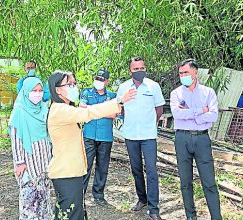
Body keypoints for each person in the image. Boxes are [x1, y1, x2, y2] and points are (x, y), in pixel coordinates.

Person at [47, 70, 136, 220]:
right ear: (57, 90)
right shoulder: (60, 110)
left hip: (72, 171)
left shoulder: (66, 109)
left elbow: (86, 111)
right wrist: (118, 101)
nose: (74, 87)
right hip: (66, 172)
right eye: (69, 84)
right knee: (71, 214)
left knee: (70, 212)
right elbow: (88, 113)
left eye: (74, 84)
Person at [170, 59, 222, 220]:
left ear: (195, 72)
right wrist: (200, 111)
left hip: (201, 139)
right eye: (181, 73)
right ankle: (190, 216)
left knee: (209, 182)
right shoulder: (176, 93)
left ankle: (216, 216)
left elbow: (213, 115)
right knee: (185, 181)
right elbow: (177, 114)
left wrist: (193, 117)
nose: (183, 76)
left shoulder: (208, 92)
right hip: (182, 138)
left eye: (186, 72)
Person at [117, 56, 165, 220]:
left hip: (148, 136)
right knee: (136, 169)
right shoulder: (123, 87)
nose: (139, 71)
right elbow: (120, 108)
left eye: (141, 68)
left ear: (145, 69)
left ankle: (153, 208)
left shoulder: (153, 86)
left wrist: (151, 123)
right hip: (130, 135)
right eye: (135, 69)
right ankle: (142, 199)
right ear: (130, 71)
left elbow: (159, 109)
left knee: (151, 171)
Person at [8, 77, 53, 219]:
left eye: (40, 91)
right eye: (34, 90)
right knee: (29, 203)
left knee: (44, 201)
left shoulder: (44, 108)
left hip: (44, 160)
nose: (38, 94)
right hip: (28, 163)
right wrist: (19, 162)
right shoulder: (19, 111)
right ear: (26, 91)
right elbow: (16, 139)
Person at [80, 68, 117, 204]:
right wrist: (103, 110)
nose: (99, 81)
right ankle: (80, 195)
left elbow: (113, 114)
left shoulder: (112, 96)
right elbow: (82, 109)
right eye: (97, 78)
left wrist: (91, 110)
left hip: (105, 137)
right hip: (89, 135)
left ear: (106, 81)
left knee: (102, 167)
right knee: (85, 165)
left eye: (102, 79)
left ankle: (98, 195)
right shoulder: (86, 92)